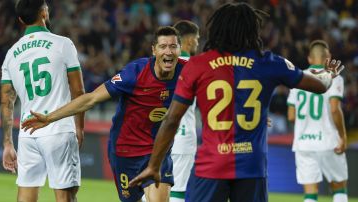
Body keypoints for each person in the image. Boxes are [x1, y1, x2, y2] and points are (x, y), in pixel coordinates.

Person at [128, 2, 345, 202]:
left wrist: (154, 164)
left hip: (210, 166)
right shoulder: (270, 62)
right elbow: (321, 85)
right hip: (252, 168)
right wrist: (328, 75)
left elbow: (172, 119)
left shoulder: (197, 65)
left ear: (217, 29)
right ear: (252, 30)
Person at [22, 26, 185, 202]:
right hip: (125, 151)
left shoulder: (187, 71)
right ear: (154, 50)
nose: (168, 51)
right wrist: (49, 117)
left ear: (179, 49)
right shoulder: (135, 73)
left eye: (173, 46)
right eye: (163, 46)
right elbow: (91, 99)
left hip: (157, 151)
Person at [0, 0, 85, 202]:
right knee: (65, 196)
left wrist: (7, 144)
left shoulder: (11, 54)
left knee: (26, 196)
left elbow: (6, 101)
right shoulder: (63, 44)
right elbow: (78, 90)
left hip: (27, 133)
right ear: (44, 13)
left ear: (21, 20)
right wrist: (79, 127)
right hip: (59, 129)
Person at [287, 40, 348, 202]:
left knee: (310, 193)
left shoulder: (297, 79)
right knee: (339, 187)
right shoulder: (334, 77)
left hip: (303, 143)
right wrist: (343, 136)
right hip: (328, 141)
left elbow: (291, 116)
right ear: (328, 57)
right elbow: (335, 109)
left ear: (309, 59)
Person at [170, 20, 199, 202]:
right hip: (182, 135)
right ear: (188, 41)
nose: (198, 43)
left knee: (153, 190)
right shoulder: (196, 66)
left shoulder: (158, 64)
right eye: (197, 38)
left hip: (156, 137)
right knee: (178, 192)